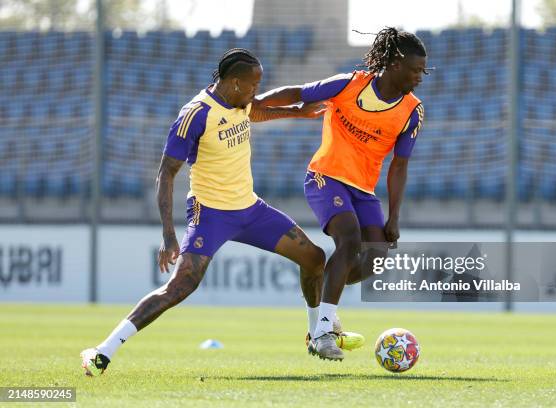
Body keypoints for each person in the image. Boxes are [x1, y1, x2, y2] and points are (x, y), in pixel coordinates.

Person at [80, 48, 360, 376]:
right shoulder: (196, 114)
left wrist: (298, 112)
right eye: (254, 85)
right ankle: (102, 352)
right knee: (180, 286)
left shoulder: (240, 102)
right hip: (210, 213)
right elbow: (166, 174)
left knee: (313, 258)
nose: (259, 91)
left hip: (250, 209)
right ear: (235, 82)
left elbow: (254, 113)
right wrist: (169, 236)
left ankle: (316, 335)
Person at [254, 28, 428, 360]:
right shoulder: (350, 84)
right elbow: (298, 91)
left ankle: (320, 279)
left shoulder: (412, 111)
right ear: (393, 63)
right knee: (348, 241)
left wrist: (394, 216)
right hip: (325, 177)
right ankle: (322, 332)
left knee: (375, 259)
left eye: (423, 71)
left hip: (363, 190)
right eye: (415, 69)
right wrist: (258, 102)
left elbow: (399, 165)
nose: (420, 77)